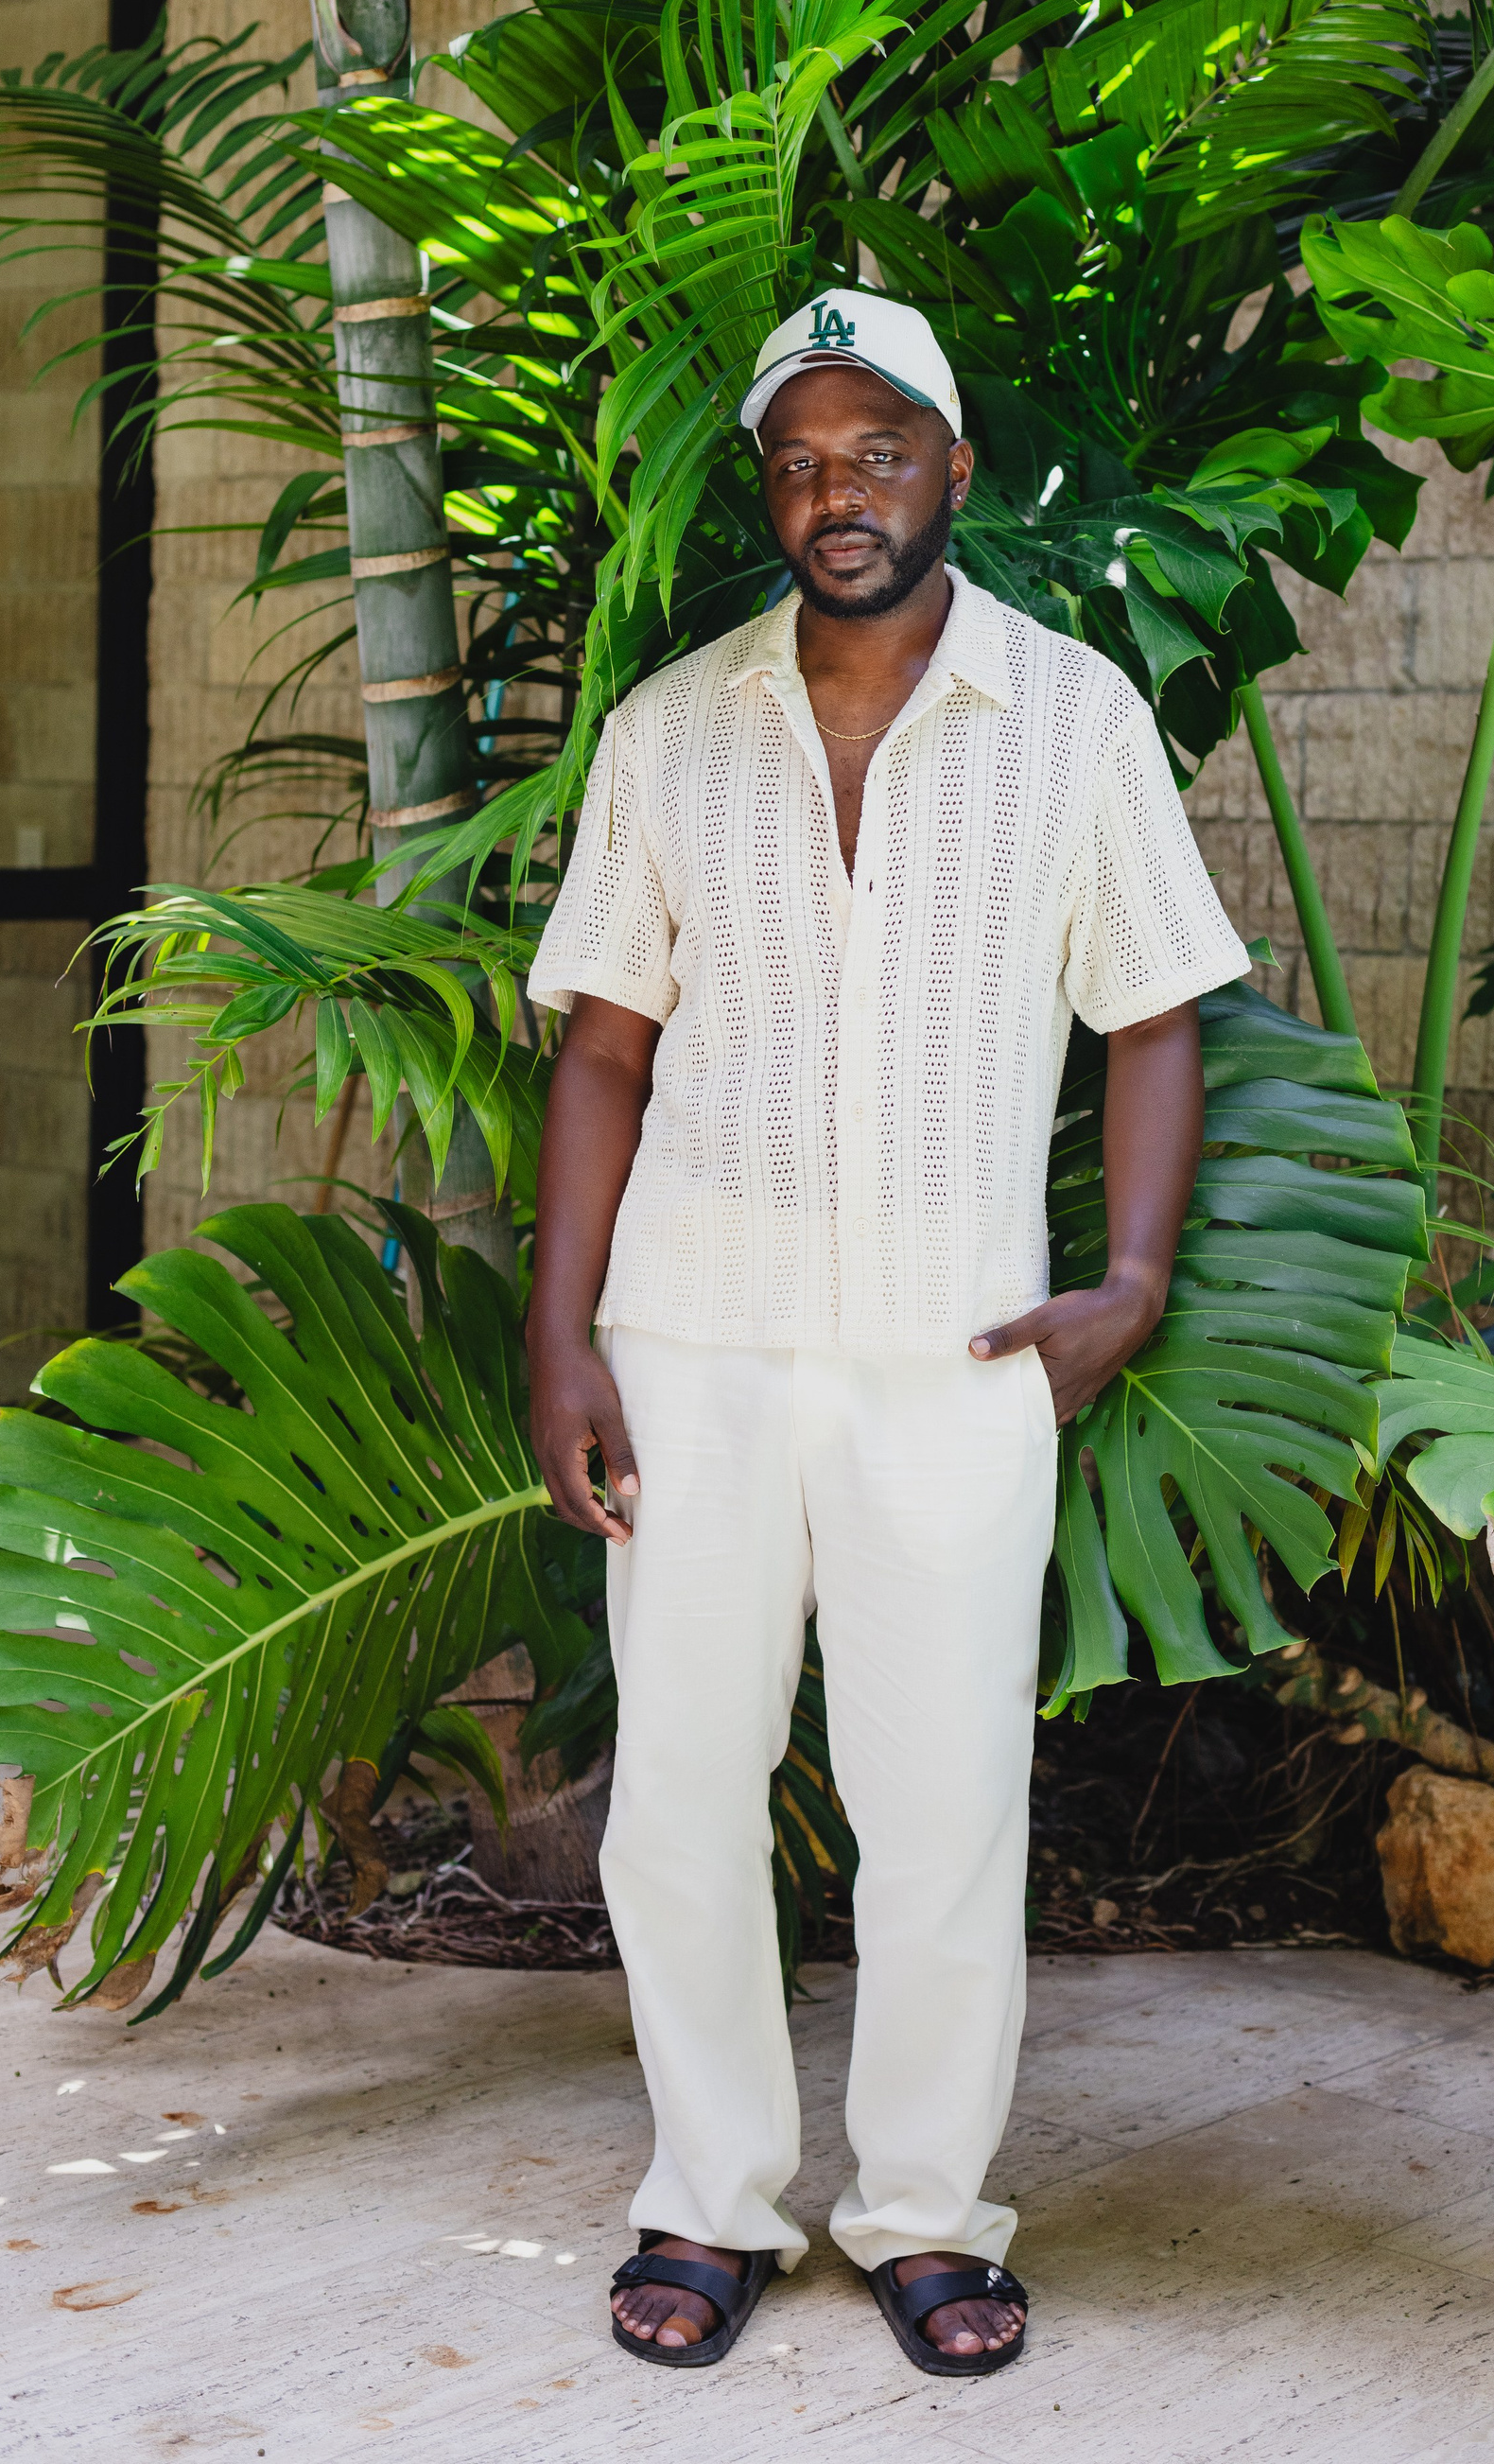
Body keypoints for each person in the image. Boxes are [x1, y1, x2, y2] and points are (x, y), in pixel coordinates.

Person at [527, 291, 1249, 2375]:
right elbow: (604, 1048)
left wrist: (1131, 1283)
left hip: (958, 1348)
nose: (836, 493)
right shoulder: (672, 729)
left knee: (943, 1803)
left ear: (952, 465)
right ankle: (712, 2198)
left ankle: (928, 2215)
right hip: (697, 1333)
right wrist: (565, 1337)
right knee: (682, 1790)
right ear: (769, 493)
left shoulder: (1076, 718)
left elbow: (1153, 1014)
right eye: (799, 462)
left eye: (877, 453)